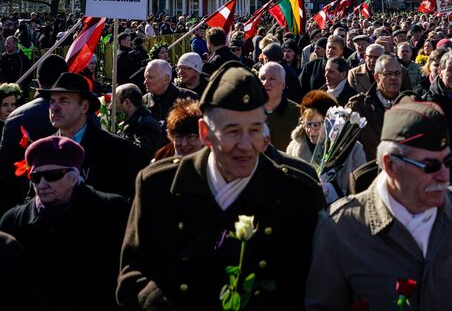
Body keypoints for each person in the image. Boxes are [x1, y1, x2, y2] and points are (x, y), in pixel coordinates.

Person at [117, 61, 325, 310]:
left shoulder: (297, 194)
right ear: (205, 133)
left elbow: (315, 287)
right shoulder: (159, 186)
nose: (246, 144)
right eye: (233, 131)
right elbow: (132, 279)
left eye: (255, 129)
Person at [306, 102, 452, 310]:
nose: (444, 176)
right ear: (391, 165)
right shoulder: (342, 228)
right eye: (430, 166)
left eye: (447, 162)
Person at [0, 135, 130, 311]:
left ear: (75, 177)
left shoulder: (112, 211)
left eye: (53, 175)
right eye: (36, 177)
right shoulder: (13, 222)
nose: (43, 184)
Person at [42, 72, 140, 198]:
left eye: (63, 100)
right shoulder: (44, 149)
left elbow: (126, 201)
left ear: (84, 106)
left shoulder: (114, 148)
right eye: (52, 101)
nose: (55, 107)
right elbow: (32, 199)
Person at [0, 54, 68, 212]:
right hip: (69, 202)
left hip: (27, 205)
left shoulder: (15, 118)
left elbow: (5, 171)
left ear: (38, 82)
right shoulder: (83, 114)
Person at [287, 90, 365, 204]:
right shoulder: (294, 148)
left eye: (316, 125)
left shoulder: (353, 149)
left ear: (330, 122)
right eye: (306, 124)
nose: (310, 130)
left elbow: (362, 190)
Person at [347, 54, 404, 160]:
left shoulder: (410, 105)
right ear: (377, 77)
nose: (394, 78)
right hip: (371, 171)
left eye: (397, 73)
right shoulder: (359, 107)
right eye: (388, 74)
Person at [115, 83, 164, 165]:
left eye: (115, 102)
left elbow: (141, 156)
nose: (110, 107)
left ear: (127, 103)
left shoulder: (146, 125)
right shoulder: (133, 122)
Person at [259, 61, 301, 152]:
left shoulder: (299, 114)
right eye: (262, 78)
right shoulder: (248, 112)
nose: (265, 83)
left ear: (283, 84)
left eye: (272, 79)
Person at [143, 59, 198, 127]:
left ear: (166, 79)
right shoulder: (143, 101)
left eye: (150, 77)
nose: (145, 82)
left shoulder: (189, 100)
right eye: (145, 78)